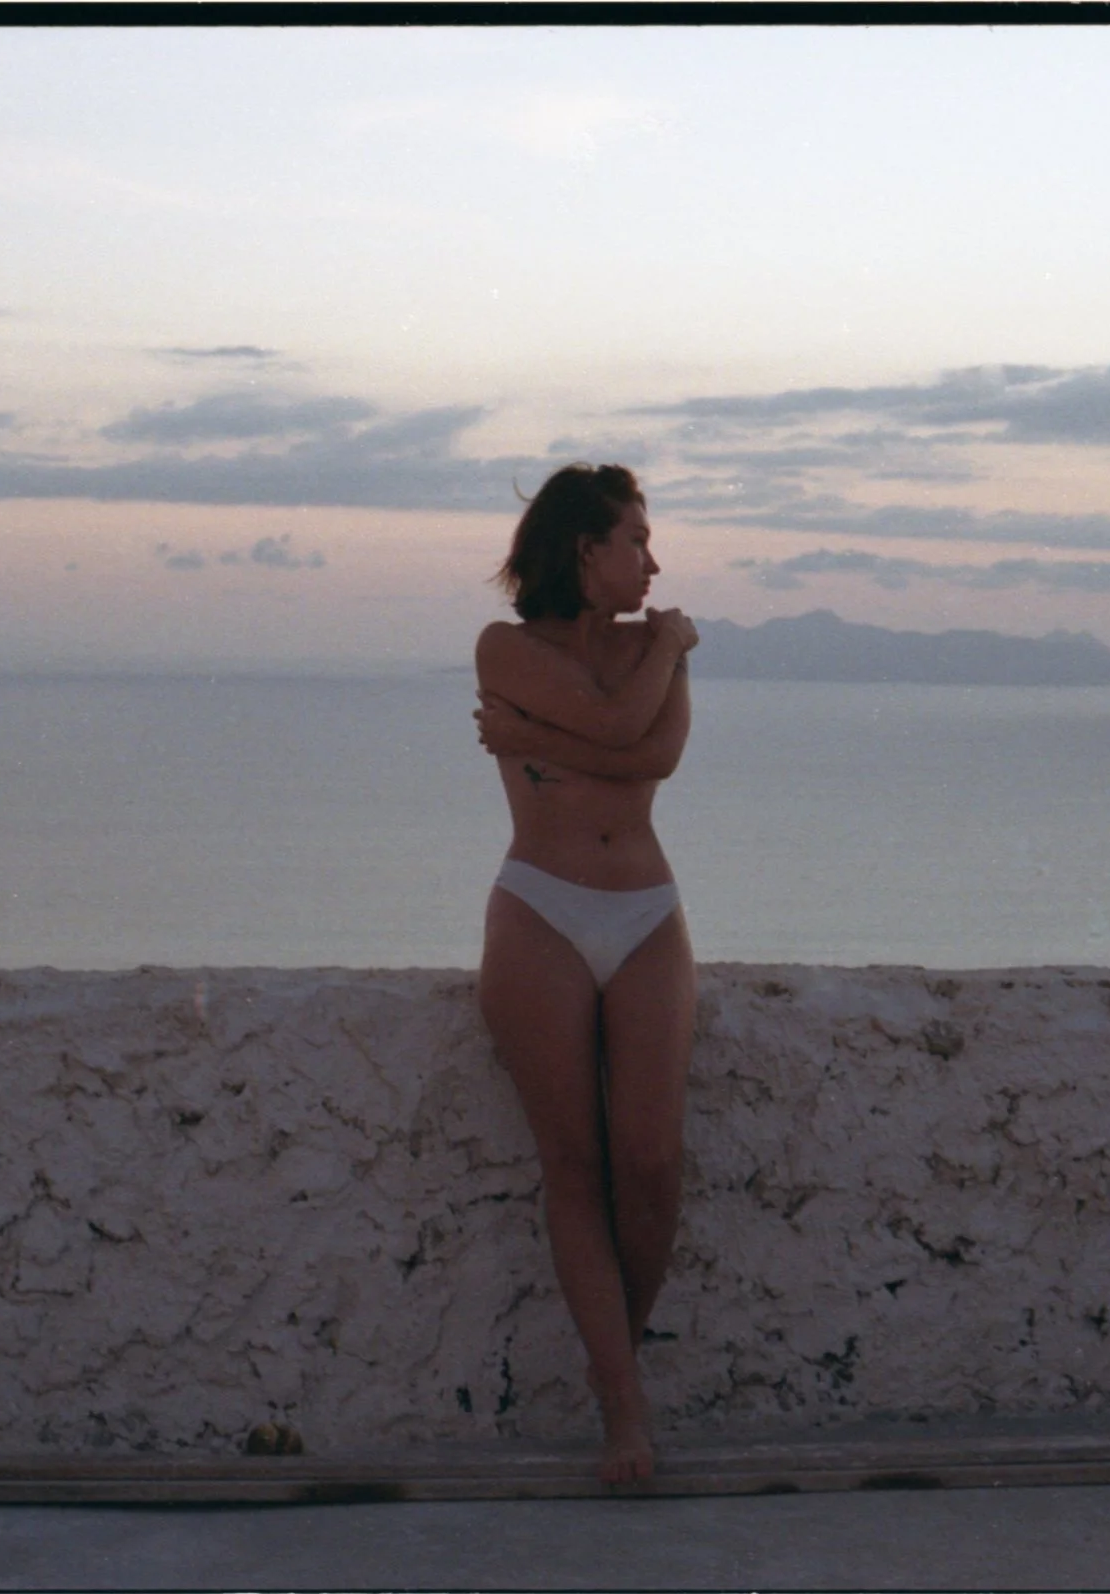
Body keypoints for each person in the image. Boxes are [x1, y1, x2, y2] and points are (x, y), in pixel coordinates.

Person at [472, 462, 699, 1484]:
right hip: (542, 911)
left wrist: (531, 737)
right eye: (635, 541)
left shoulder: (658, 643)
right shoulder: (504, 648)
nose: (651, 561)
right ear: (583, 550)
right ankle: (623, 1412)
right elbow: (620, 730)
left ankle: (622, 1366)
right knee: (573, 1164)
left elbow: (657, 761)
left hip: (645, 912)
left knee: (649, 1167)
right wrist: (671, 648)